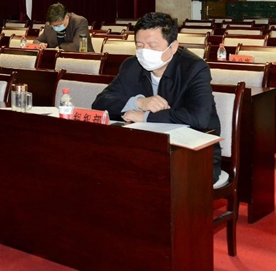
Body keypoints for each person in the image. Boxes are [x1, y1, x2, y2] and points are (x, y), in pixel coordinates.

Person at [91, 12, 221, 183]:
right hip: (145, 149)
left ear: (173, 47)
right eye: (139, 45)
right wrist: (139, 102)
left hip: (193, 154)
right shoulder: (131, 66)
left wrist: (145, 117)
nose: (145, 52)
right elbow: (100, 103)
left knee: (146, 180)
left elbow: (199, 118)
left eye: (153, 45)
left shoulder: (194, 68)